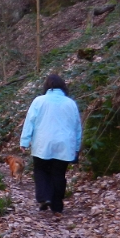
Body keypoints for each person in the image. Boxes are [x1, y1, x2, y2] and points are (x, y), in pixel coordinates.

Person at [20, 74, 82, 215]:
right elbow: (77, 127)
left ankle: (44, 197)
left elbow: (30, 121)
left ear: (46, 87)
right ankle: (57, 207)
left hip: (43, 143)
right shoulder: (70, 103)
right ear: (63, 87)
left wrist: (24, 141)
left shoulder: (39, 101)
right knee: (58, 174)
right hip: (64, 145)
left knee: (41, 170)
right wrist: (76, 148)